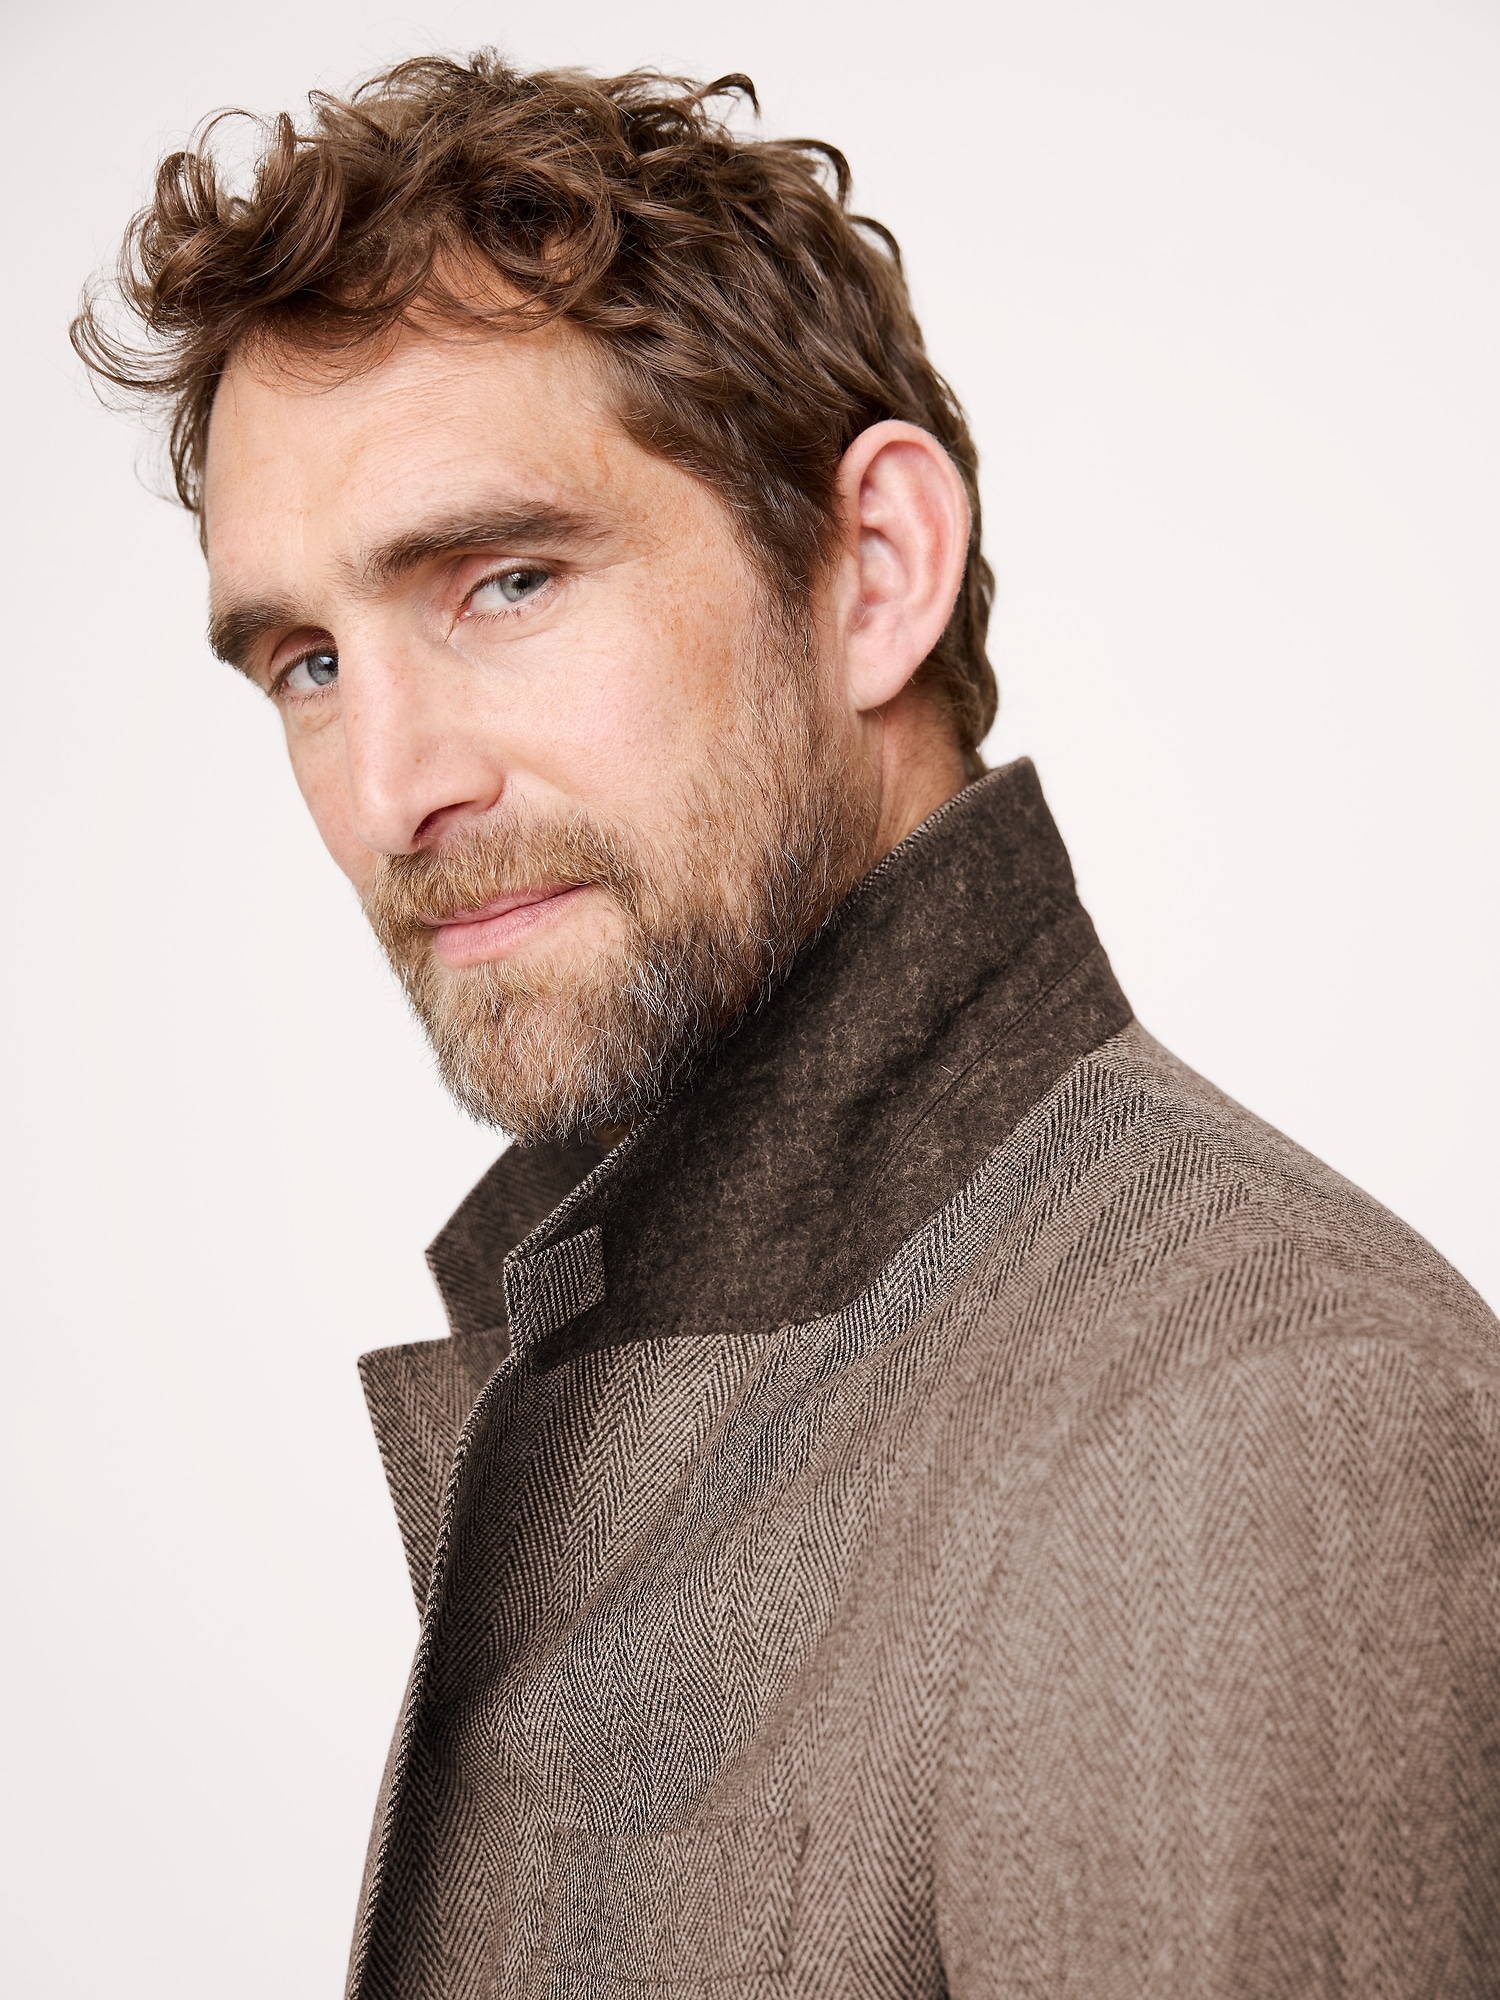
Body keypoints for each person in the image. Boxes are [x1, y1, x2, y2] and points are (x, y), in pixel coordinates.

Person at [74, 52, 1500, 2000]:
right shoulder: (658, 1332)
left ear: (874, 573)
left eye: (505, 581)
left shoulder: (1245, 1429)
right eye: (308, 662)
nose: (391, 787)